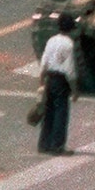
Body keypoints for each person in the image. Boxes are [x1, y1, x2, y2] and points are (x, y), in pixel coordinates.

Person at [37, 13, 79, 155]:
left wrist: (42, 82)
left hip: (50, 78)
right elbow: (70, 70)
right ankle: (57, 146)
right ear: (71, 28)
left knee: (49, 112)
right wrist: (74, 90)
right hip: (61, 81)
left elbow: (44, 62)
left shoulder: (51, 40)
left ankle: (44, 144)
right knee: (61, 112)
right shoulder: (68, 44)